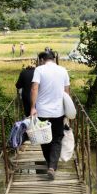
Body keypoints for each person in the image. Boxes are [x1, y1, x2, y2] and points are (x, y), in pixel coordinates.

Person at [30, 50, 70, 178]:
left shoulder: (39, 70)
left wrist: (32, 107)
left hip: (42, 111)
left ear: (43, 60)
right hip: (58, 111)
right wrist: (67, 110)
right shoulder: (63, 70)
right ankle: (52, 166)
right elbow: (66, 92)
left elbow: (34, 88)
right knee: (57, 139)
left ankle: (49, 164)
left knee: (44, 138)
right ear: (54, 58)